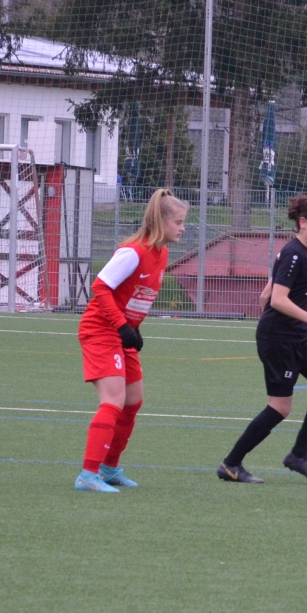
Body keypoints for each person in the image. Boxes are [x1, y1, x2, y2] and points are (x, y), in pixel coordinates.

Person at [218, 195, 307, 484]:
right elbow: (276, 300)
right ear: (303, 222)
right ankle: (231, 464)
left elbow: (266, 294)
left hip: (296, 336)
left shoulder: (302, 252)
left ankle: (298, 455)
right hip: (280, 338)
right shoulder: (295, 253)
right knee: (280, 407)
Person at [74, 188, 186, 492]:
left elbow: (134, 297)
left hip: (122, 332)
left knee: (133, 402)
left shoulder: (161, 254)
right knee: (113, 401)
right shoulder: (132, 252)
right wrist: (123, 326)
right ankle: (88, 474)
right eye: (178, 221)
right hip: (101, 330)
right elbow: (100, 287)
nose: (183, 227)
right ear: (161, 222)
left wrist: (133, 329)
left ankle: (110, 468)